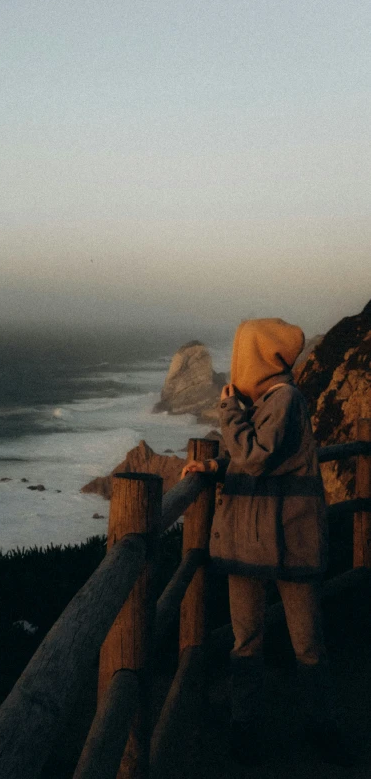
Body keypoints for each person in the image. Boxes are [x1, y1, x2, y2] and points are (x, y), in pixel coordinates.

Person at [182, 318, 354, 766]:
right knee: (247, 639)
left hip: (285, 541)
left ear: (254, 358)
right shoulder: (266, 401)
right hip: (251, 542)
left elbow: (257, 458)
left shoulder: (286, 401)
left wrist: (227, 413)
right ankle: (247, 726)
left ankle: (322, 727)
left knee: (305, 642)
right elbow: (252, 461)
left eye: (240, 354)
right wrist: (213, 469)